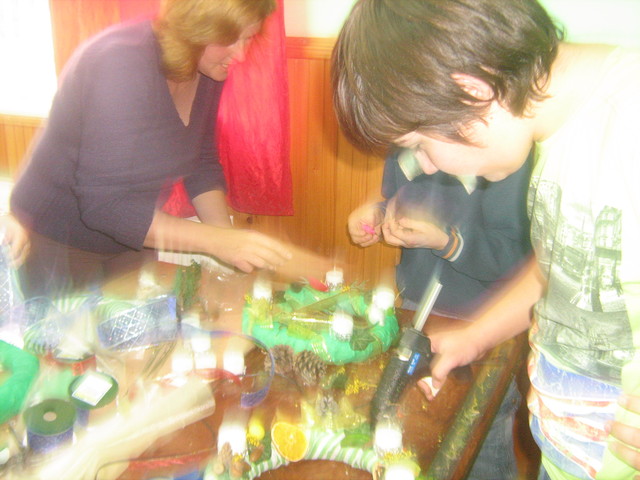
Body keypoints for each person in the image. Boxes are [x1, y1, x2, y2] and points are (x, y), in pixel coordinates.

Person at [332, 1, 640, 479]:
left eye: (419, 146)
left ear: (471, 91)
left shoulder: (628, 126)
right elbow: (561, 268)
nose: (425, 166)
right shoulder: (557, 133)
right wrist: (476, 336)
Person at [9, 0, 292, 298]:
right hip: (58, 240)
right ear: (195, 29)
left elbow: (201, 162)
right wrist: (216, 242)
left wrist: (228, 237)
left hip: (132, 235)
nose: (241, 54)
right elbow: (105, 206)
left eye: (248, 38)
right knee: (74, 330)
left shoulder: (207, 66)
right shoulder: (120, 62)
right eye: (229, 39)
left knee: (144, 325)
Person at [348, 147, 532, 479]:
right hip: (415, 314)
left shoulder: (508, 151)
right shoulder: (407, 138)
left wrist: (447, 242)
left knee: (481, 444)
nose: (421, 159)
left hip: (485, 329)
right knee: (415, 435)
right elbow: (398, 198)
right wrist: (378, 213)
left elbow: (520, 261)